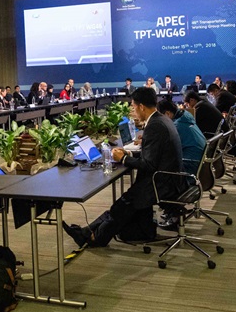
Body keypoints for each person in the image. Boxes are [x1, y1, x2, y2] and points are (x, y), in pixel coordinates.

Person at [63, 88, 185, 247]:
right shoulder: (162, 120)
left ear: (141, 107)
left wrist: (123, 158)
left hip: (162, 182)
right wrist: (128, 153)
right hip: (168, 177)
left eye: (133, 107)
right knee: (124, 204)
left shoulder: (155, 126)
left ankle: (95, 238)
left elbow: (148, 164)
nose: (133, 111)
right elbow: (153, 155)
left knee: (124, 204)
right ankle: (88, 232)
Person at [156, 100, 206, 174]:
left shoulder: (176, 127)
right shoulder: (185, 117)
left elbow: (164, 148)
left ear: (167, 114)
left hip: (190, 165)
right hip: (200, 162)